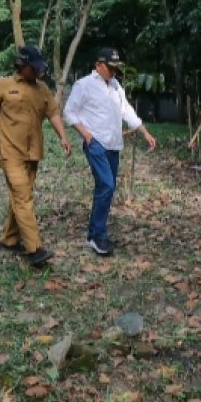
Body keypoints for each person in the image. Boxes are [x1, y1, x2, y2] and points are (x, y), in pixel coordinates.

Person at [0, 45, 71, 266]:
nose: (38, 72)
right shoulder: (3, 86)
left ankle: (9, 240)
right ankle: (34, 248)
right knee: (23, 197)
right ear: (22, 65)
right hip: (11, 153)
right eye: (34, 68)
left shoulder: (42, 89)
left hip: (33, 152)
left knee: (21, 196)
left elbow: (53, 113)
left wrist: (63, 137)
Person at [64, 47, 156, 255]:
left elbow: (127, 111)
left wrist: (145, 132)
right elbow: (69, 112)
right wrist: (86, 135)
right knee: (107, 184)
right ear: (98, 65)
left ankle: (92, 234)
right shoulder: (84, 85)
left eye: (116, 68)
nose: (113, 72)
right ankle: (99, 236)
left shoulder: (116, 86)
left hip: (114, 144)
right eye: (110, 68)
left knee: (104, 187)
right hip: (95, 143)